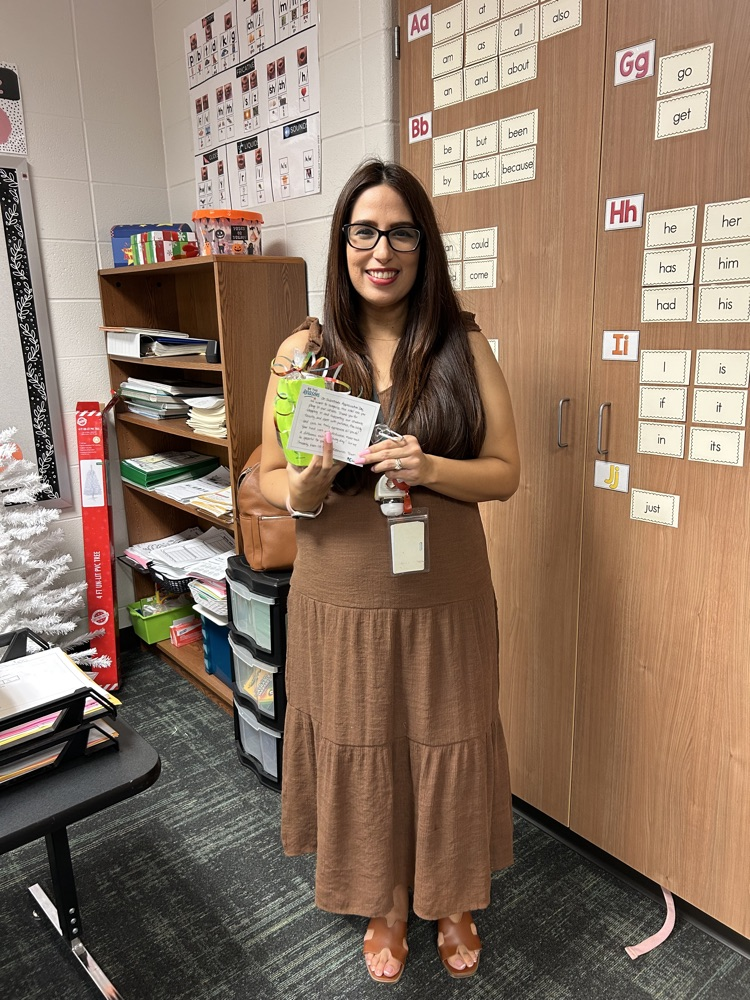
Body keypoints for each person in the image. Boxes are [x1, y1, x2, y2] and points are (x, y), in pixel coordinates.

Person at [260, 159, 520, 984]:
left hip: (445, 593)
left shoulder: (461, 342)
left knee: (449, 738)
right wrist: (298, 488)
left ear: (423, 244)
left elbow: (507, 473)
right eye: (363, 231)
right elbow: (264, 474)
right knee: (364, 737)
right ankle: (384, 896)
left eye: (400, 231)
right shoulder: (303, 351)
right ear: (342, 243)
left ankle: (451, 898)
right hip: (339, 590)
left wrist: (431, 467)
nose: (382, 249)